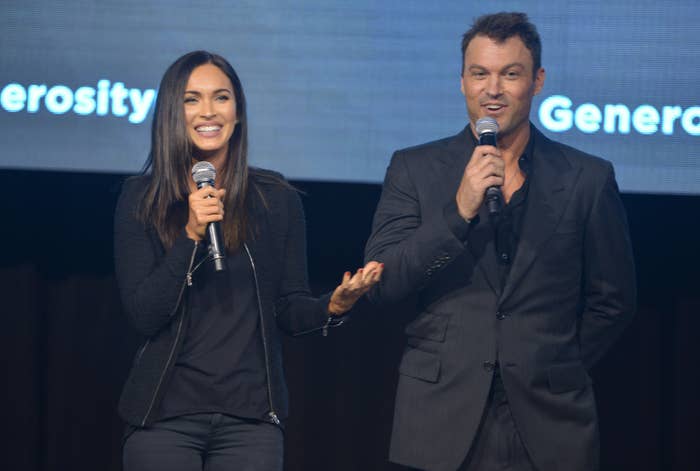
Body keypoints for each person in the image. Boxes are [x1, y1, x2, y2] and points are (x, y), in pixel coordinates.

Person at [364, 12, 636, 471]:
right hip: (440, 417)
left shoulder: (588, 178)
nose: (494, 89)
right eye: (480, 74)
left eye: (510, 74)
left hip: (549, 422)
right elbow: (384, 282)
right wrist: (459, 210)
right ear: (463, 82)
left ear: (537, 81)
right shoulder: (413, 169)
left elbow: (614, 300)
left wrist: (555, 362)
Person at [114, 50, 383, 471]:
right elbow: (145, 314)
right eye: (192, 99)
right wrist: (190, 236)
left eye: (221, 98)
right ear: (170, 112)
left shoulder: (276, 200)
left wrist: (332, 305)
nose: (208, 111)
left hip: (250, 423)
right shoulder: (141, 199)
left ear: (237, 113)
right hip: (164, 419)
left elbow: (289, 308)